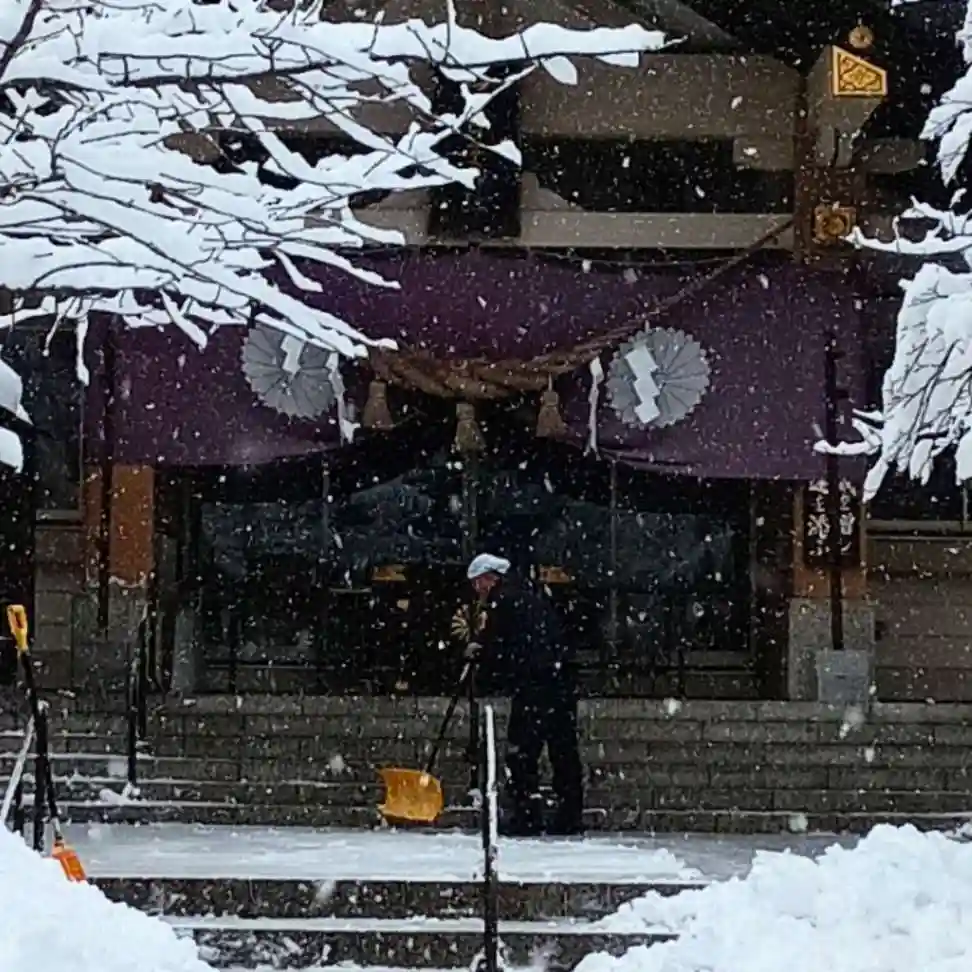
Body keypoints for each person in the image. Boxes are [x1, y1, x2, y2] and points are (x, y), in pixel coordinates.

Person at [465, 553, 583, 837]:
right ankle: (568, 814)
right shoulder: (530, 595)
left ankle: (526, 814)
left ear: (489, 578)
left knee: (522, 752)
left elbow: (502, 644)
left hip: (535, 685)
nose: (477, 590)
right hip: (558, 681)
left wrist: (482, 658)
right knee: (562, 749)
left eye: (478, 583)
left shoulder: (505, 602)